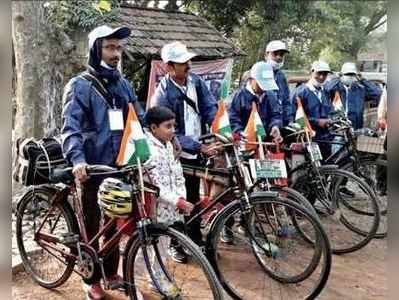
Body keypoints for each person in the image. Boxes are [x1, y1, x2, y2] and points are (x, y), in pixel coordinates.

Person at [61, 25, 145, 300]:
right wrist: (78, 160)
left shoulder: (123, 84)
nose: (116, 53)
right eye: (109, 47)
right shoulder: (80, 86)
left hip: (118, 166)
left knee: (114, 222)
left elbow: (137, 119)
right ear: (96, 50)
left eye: (119, 48)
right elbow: (70, 127)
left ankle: (110, 272)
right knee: (91, 223)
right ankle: (91, 279)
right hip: (91, 169)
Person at [151, 41, 218, 261]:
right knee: (177, 198)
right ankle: (175, 242)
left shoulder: (196, 82)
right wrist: (198, 146)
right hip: (177, 154)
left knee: (194, 197)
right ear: (169, 67)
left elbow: (210, 108)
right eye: (182, 62)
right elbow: (169, 133)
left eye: (188, 60)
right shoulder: (162, 96)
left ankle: (194, 235)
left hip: (199, 149)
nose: (188, 64)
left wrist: (219, 127)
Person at [145, 106, 194, 263]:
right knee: (149, 248)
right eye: (168, 126)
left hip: (170, 208)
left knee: (163, 247)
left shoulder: (168, 146)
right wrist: (177, 201)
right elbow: (155, 184)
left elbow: (178, 175)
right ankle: (137, 282)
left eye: (174, 126)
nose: (173, 131)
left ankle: (158, 280)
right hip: (155, 209)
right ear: (153, 128)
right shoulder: (149, 151)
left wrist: (181, 198)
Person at [229, 61, 283, 140]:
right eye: (261, 84)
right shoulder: (240, 96)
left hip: (266, 140)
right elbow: (233, 118)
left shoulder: (270, 95)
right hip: (246, 141)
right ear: (251, 80)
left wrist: (275, 126)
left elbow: (276, 115)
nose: (263, 88)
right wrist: (239, 132)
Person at [289, 61, 333, 158]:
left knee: (327, 167)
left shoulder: (325, 92)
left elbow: (329, 111)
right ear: (312, 72)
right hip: (307, 138)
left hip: (325, 138)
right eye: (319, 73)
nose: (321, 77)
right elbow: (293, 118)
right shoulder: (300, 92)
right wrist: (317, 122)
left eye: (324, 74)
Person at [324, 62, 382, 130]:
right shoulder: (335, 88)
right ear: (342, 74)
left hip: (355, 127)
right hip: (338, 127)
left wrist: (362, 79)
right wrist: (338, 78)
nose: (350, 76)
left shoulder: (360, 90)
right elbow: (326, 89)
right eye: (347, 74)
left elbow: (377, 93)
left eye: (352, 74)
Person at [265, 40, 291, 126]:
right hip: (262, 125)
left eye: (281, 55)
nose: (279, 57)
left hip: (279, 125)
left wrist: (289, 120)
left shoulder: (281, 76)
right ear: (266, 55)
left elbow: (286, 101)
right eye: (275, 54)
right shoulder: (257, 74)